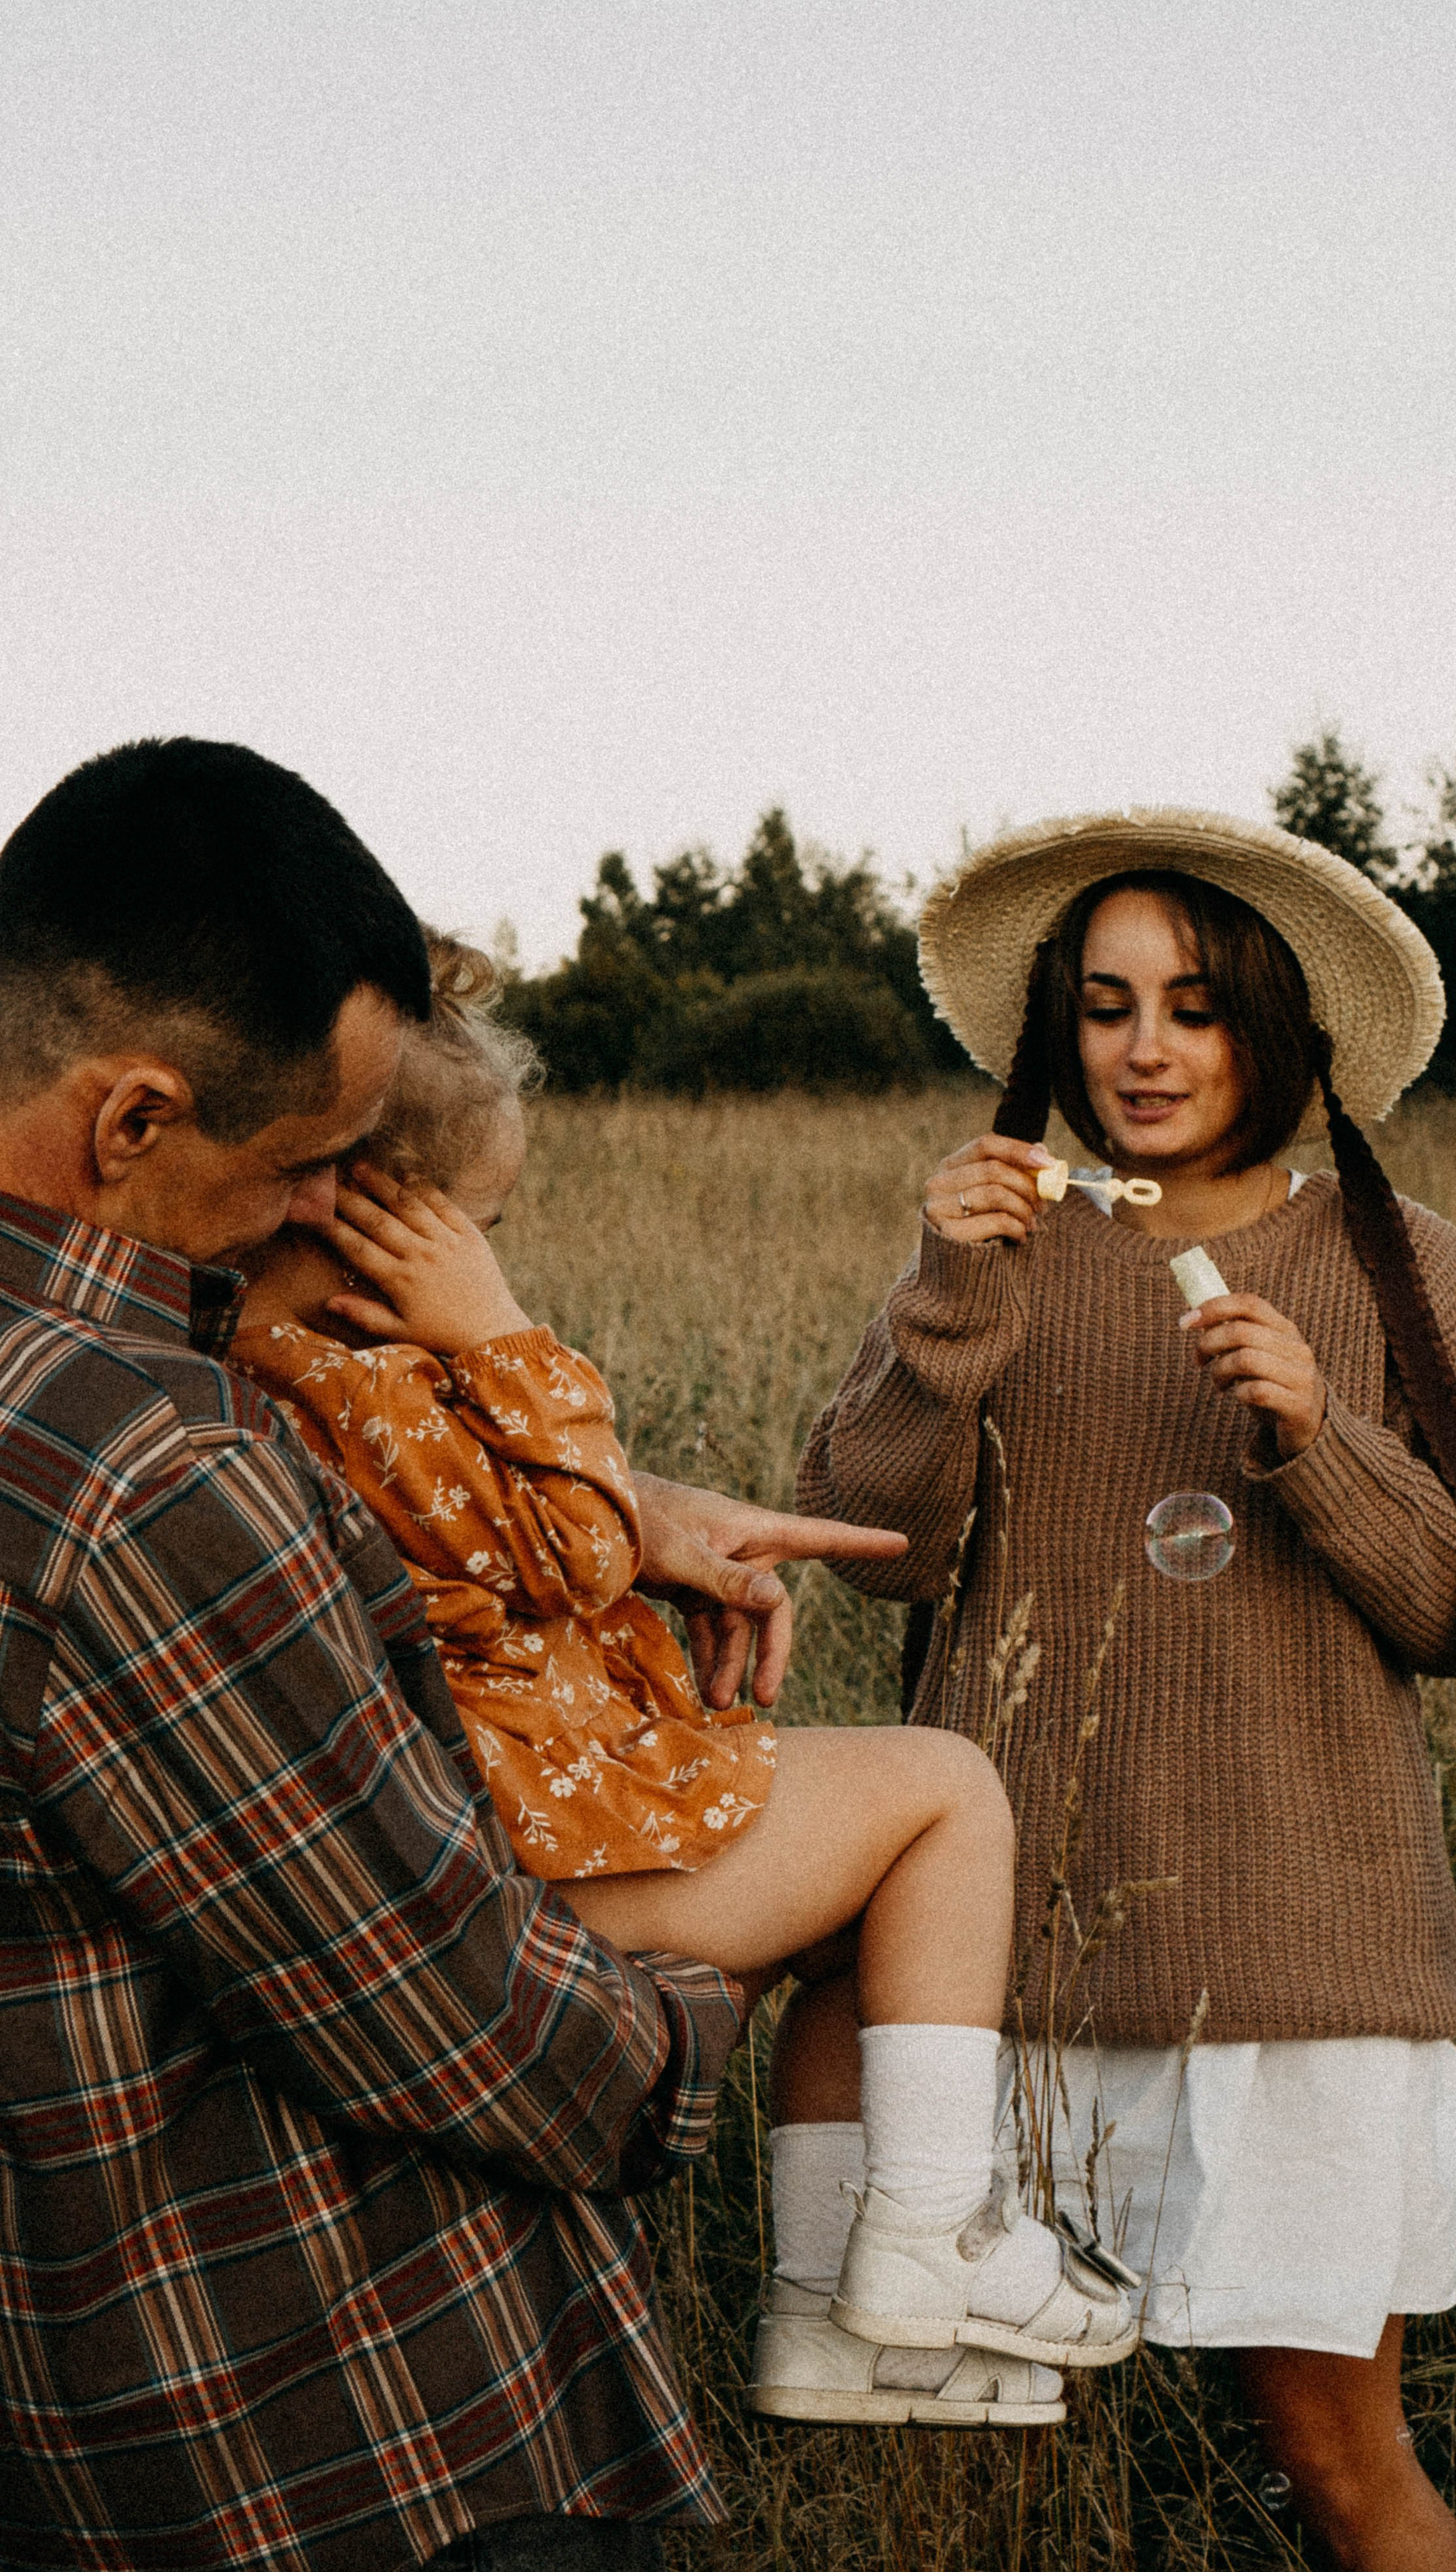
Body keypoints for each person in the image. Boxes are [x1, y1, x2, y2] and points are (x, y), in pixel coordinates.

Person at [0, 739, 904, 2572]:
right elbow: (462, 2026)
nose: (326, 1223)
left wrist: (606, 1500)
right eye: (310, 1170)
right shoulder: (146, 1472)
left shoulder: (140, 1407)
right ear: (133, 1122)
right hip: (355, 2443)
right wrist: (725, 1980)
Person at [794, 809, 1456, 2570]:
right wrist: (942, 1306)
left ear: (1278, 1030)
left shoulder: (1395, 1258)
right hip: (1000, 1983)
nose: (1142, 1049)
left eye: (1197, 1008)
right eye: (1106, 1003)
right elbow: (866, 1542)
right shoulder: (1004, 1249)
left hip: (1303, 1972)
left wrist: (1321, 1438)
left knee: (1334, 2451)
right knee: (968, 2475)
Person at [234, 932, 1139, 2435]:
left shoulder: (267, 1363)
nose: (494, 1256)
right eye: (480, 1226)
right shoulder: (360, 1379)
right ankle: (938, 2229)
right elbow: (570, 1548)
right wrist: (501, 1335)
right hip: (544, 1849)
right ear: (376, 1223)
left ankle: (823, 2321)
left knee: (884, 1931)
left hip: (517, 1820)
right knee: (942, 1794)